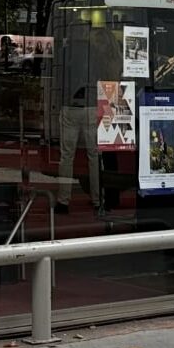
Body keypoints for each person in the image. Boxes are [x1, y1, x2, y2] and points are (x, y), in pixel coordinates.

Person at [55, 15, 121, 215]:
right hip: (92, 105)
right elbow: (104, 77)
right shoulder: (96, 53)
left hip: (70, 106)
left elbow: (59, 77)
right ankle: (96, 199)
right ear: (86, 31)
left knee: (67, 156)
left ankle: (63, 201)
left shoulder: (65, 51)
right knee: (94, 155)